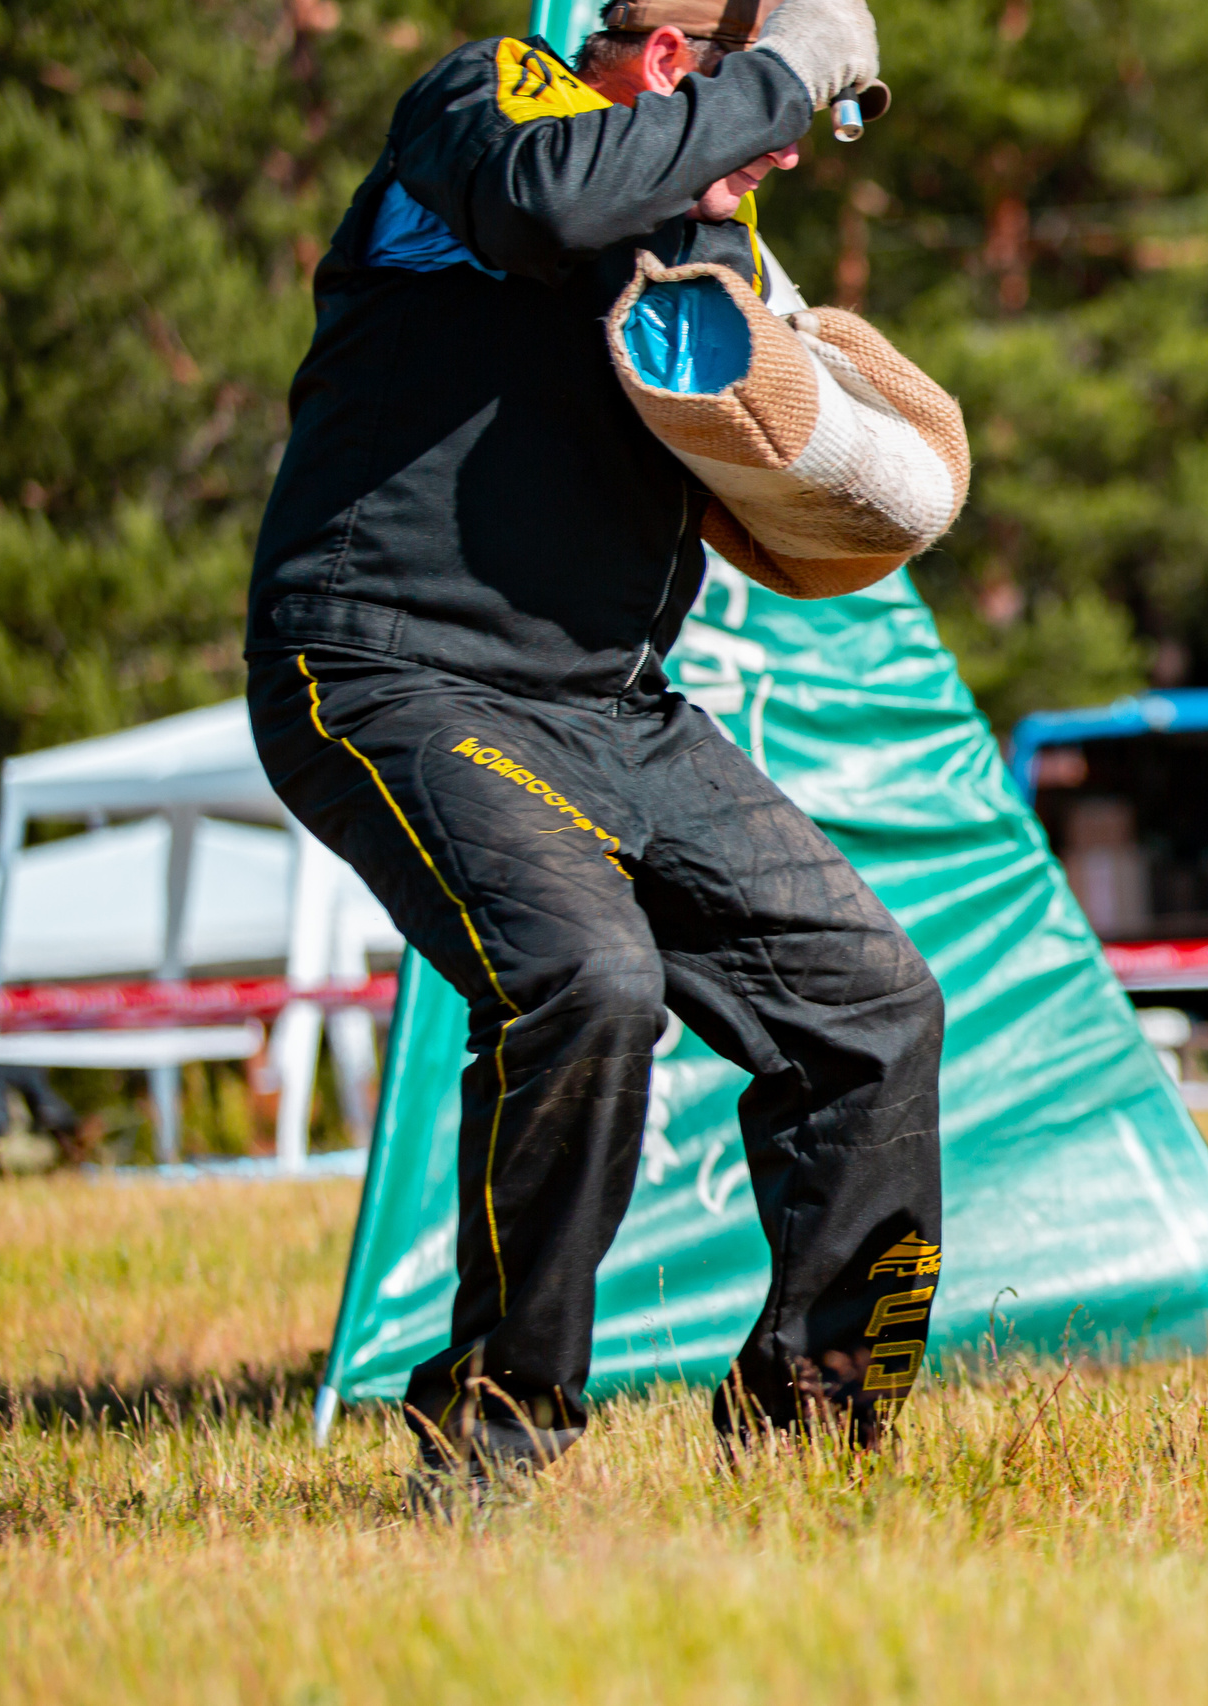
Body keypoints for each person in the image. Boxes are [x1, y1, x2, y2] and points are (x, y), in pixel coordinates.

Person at [244, 0, 945, 1497]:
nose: (789, 153)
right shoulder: (487, 108)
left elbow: (765, 483)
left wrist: (857, 459)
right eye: (786, 110)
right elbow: (554, 198)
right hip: (391, 670)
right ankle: (493, 1433)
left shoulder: (717, 245)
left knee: (871, 1004)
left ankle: (818, 1429)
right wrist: (790, 71)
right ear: (680, 60)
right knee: (587, 975)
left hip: (613, 711)